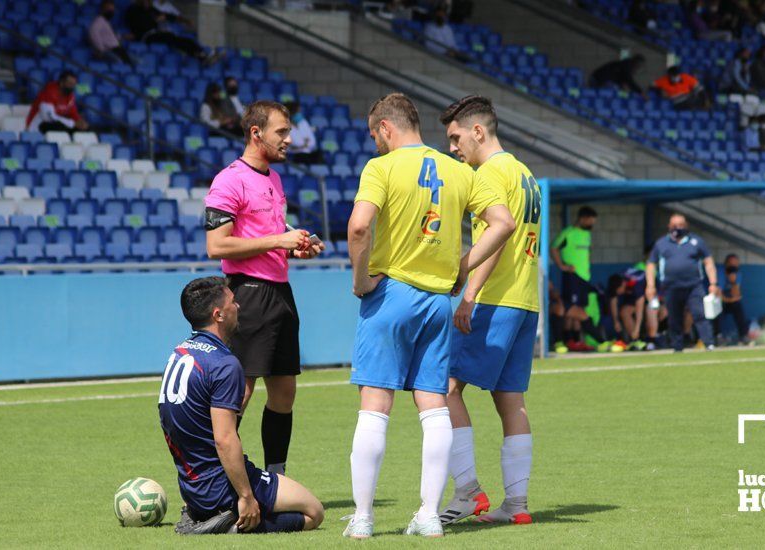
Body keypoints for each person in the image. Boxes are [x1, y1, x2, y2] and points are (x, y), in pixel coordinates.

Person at [344, 93, 515, 539]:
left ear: (385, 127)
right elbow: (503, 222)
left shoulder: (381, 168)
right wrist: (463, 264)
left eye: (374, 135)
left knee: (375, 404)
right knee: (433, 406)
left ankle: (362, 518)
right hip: (438, 301)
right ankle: (429, 514)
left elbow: (360, 226)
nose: (375, 144)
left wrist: (361, 280)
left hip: (390, 294)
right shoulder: (461, 170)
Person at [204, 101, 326, 478]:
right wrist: (278, 240)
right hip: (247, 296)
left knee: (285, 392)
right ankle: (215, 480)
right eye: (282, 132)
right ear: (256, 133)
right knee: (238, 394)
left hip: (280, 293)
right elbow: (217, 246)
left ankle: (276, 478)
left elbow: (269, 232)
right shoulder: (229, 179)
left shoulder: (273, 178)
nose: (289, 139)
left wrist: (298, 242)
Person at [435, 96, 539, 526]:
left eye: (456, 137)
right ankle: (516, 506)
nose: (454, 147)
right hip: (526, 300)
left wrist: (469, 293)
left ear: (478, 131)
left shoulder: (491, 173)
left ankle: (467, 492)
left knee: (444, 388)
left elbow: (497, 237)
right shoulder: (524, 172)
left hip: (495, 300)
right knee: (510, 401)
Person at [160, 277, 324, 535]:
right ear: (219, 315)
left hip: (192, 487)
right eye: (233, 302)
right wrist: (246, 496)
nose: (238, 306)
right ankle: (226, 525)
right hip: (220, 486)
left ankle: (207, 513)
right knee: (313, 512)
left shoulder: (179, 352)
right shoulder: (225, 364)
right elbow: (225, 439)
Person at [645, 213, 718, 352]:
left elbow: (708, 262)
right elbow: (651, 264)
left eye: (680, 225)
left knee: (699, 314)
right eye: (674, 225)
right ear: (669, 227)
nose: (677, 228)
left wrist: (713, 283)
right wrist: (650, 285)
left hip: (693, 286)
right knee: (674, 317)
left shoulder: (696, 242)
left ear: (686, 226)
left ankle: (709, 343)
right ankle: (677, 346)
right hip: (671, 287)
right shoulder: (661, 243)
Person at [550, 206, 607, 351]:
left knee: (577, 310)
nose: (592, 224)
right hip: (572, 277)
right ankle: (563, 341)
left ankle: (574, 341)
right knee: (570, 309)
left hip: (584, 278)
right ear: (582, 218)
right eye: (590, 221)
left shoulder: (587, 235)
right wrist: (562, 266)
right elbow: (553, 248)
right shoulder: (568, 233)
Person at [125, 0, 220, 65]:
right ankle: (201, 55)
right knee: (170, 37)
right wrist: (154, 21)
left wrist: (185, 21)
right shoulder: (133, 10)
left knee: (181, 39)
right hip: (146, 36)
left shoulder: (151, 10)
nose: (147, 2)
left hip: (157, 34)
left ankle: (202, 54)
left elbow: (167, 16)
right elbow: (138, 27)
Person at [25, 71, 90, 133]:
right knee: (59, 126)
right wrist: (72, 123)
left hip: (55, 127)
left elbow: (73, 113)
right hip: (37, 127)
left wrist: (80, 122)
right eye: (70, 84)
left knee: (86, 129)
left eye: (73, 84)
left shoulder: (70, 96)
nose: (72, 87)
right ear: (62, 83)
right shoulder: (49, 92)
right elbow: (49, 117)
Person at [714, 254, 749, 344]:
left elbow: (736, 295)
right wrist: (729, 300)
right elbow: (718, 294)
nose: (733, 266)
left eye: (736, 264)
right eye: (731, 264)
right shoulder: (720, 272)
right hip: (716, 300)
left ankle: (743, 336)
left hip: (728, 300)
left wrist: (733, 282)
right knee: (717, 307)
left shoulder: (737, 274)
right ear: (726, 264)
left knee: (737, 305)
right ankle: (718, 336)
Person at [88, 0, 134, 65]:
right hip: (109, 50)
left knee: (138, 62)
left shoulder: (106, 22)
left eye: (112, 9)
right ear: (103, 9)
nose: (111, 11)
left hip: (118, 49)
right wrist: (102, 49)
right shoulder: (98, 22)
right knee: (119, 63)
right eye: (109, 9)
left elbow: (111, 37)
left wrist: (123, 36)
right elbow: (93, 35)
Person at [284, 100, 322, 165]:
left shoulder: (303, 123)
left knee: (319, 155)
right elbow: (296, 144)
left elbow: (312, 142)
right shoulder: (285, 126)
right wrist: (304, 143)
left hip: (309, 154)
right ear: (291, 113)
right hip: (295, 156)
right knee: (302, 157)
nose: (299, 114)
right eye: (298, 112)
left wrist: (303, 145)